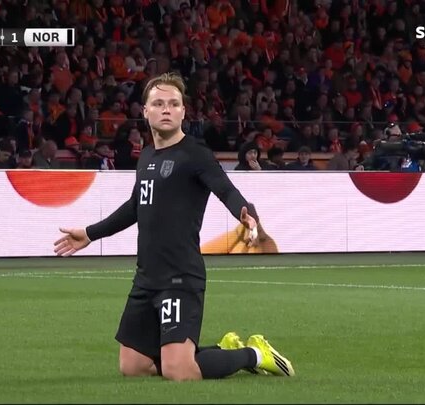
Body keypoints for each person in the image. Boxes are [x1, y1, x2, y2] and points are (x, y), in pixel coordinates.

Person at [54, 72, 294, 381]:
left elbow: (226, 189)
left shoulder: (195, 154)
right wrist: (90, 233)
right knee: (133, 367)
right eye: (158, 103)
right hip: (146, 278)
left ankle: (255, 354)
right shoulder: (146, 156)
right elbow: (135, 206)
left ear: (183, 111)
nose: (166, 109)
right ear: (145, 111)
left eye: (173, 103)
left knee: (178, 371)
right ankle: (222, 350)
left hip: (181, 277)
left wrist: (245, 215)